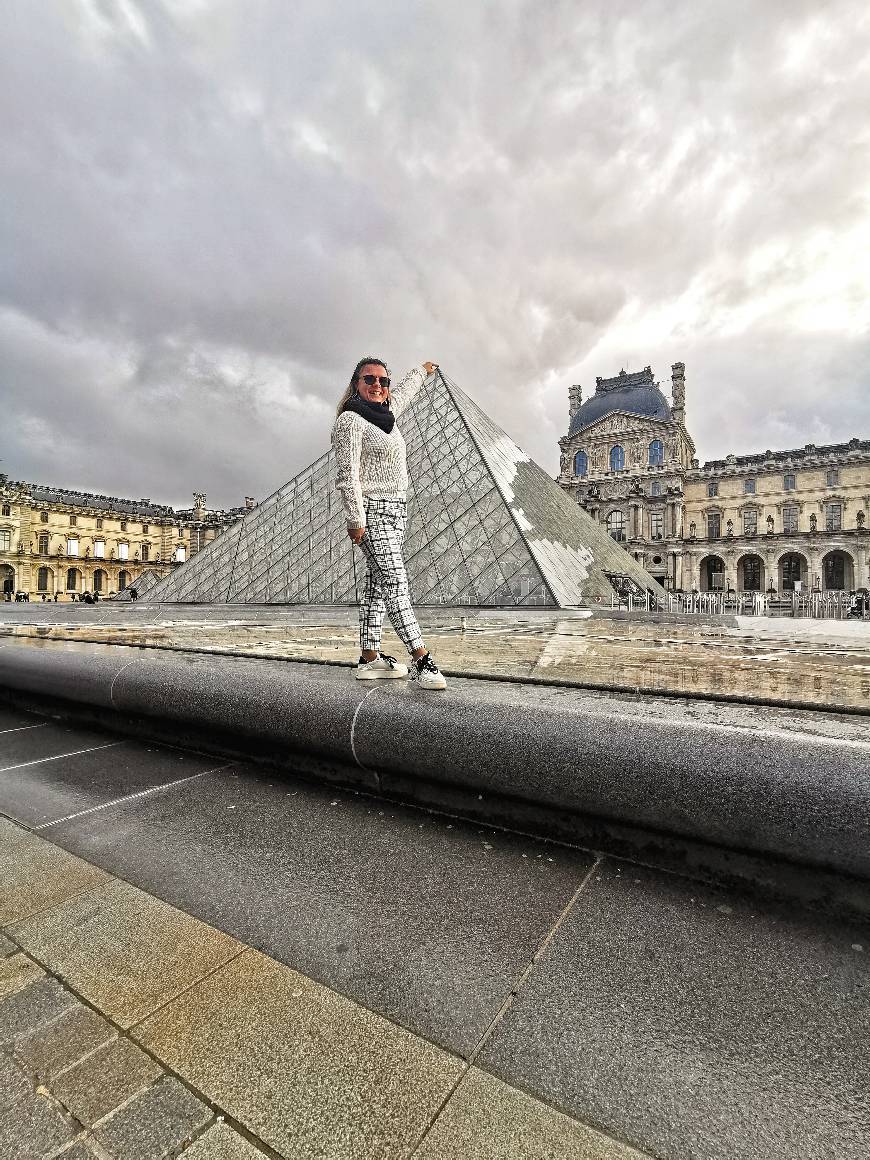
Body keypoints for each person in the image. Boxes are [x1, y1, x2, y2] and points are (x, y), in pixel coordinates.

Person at [332, 356, 447, 690]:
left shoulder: (387, 415)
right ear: (355, 384)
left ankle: (369, 658)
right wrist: (355, 519)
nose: (377, 385)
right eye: (369, 379)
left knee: (377, 588)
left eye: (383, 380)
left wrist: (421, 373)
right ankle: (421, 658)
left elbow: (406, 393)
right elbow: (347, 475)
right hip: (371, 511)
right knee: (396, 582)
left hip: (398, 511)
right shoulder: (350, 422)